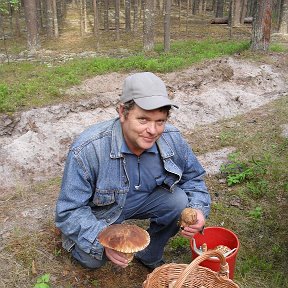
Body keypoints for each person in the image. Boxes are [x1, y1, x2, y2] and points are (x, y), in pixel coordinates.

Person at [55, 72, 211, 270]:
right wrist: (101, 240)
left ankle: (149, 254)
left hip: (144, 200)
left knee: (179, 201)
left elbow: (194, 177)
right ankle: (74, 239)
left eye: (160, 121)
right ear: (122, 112)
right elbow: (69, 210)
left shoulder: (172, 139)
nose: (153, 131)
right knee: (92, 259)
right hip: (102, 212)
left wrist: (198, 209)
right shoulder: (88, 149)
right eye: (143, 120)